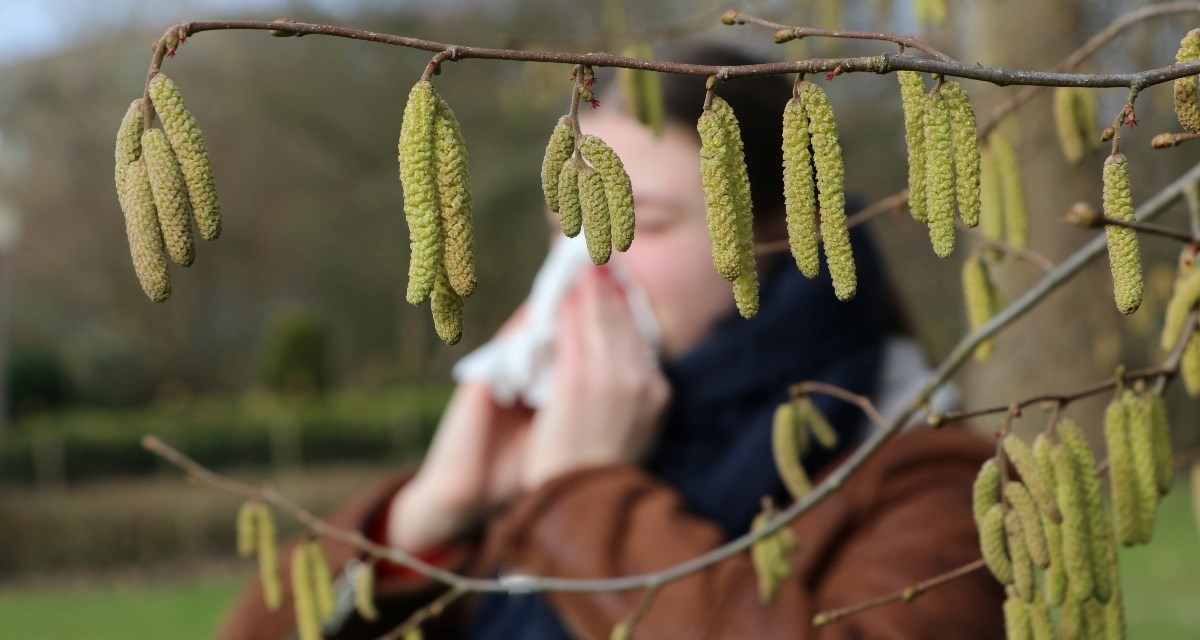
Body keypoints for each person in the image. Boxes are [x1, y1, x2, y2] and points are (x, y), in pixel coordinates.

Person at [218, 44, 1004, 640]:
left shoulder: (925, 484)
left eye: (646, 222)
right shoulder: (528, 451)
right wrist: (420, 522)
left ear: (781, 238)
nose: (589, 261)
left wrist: (583, 497)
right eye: (570, 226)